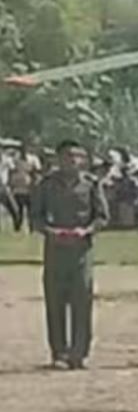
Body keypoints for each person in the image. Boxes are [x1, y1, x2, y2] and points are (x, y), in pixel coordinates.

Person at [31, 140, 108, 370]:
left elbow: (102, 216)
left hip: (81, 251)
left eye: (77, 156)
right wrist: (50, 232)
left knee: (81, 301)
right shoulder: (46, 185)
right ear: (58, 158)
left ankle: (79, 353)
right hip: (55, 251)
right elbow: (35, 217)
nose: (72, 160)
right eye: (67, 156)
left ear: (84, 159)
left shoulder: (91, 184)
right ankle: (59, 353)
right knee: (55, 302)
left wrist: (86, 231)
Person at [9, 142, 42, 232]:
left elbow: (37, 171)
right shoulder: (16, 159)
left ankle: (32, 228)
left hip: (29, 188)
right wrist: (11, 183)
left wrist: (34, 181)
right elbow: (11, 170)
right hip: (18, 188)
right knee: (18, 209)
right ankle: (17, 227)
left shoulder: (33, 159)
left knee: (30, 210)